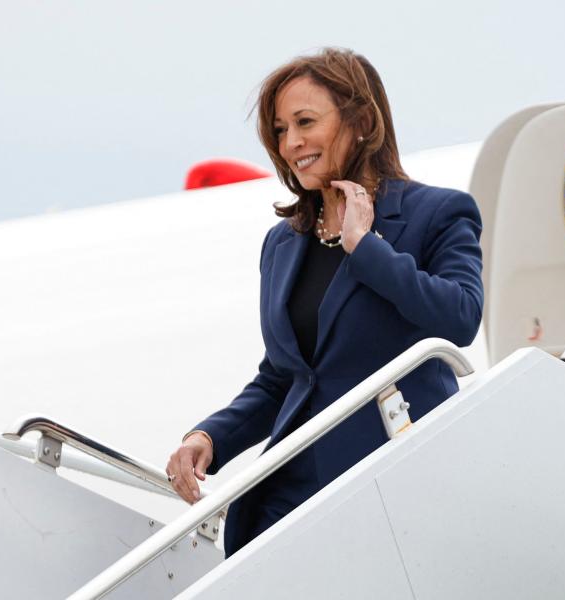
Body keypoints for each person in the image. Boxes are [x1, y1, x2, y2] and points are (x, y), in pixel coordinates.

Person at [166, 48, 484, 557]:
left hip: (389, 487)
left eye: (305, 122)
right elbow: (285, 375)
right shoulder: (283, 242)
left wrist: (368, 249)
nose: (291, 143)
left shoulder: (438, 213)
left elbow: (461, 318)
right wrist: (211, 437)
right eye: (279, 130)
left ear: (360, 121)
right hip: (287, 496)